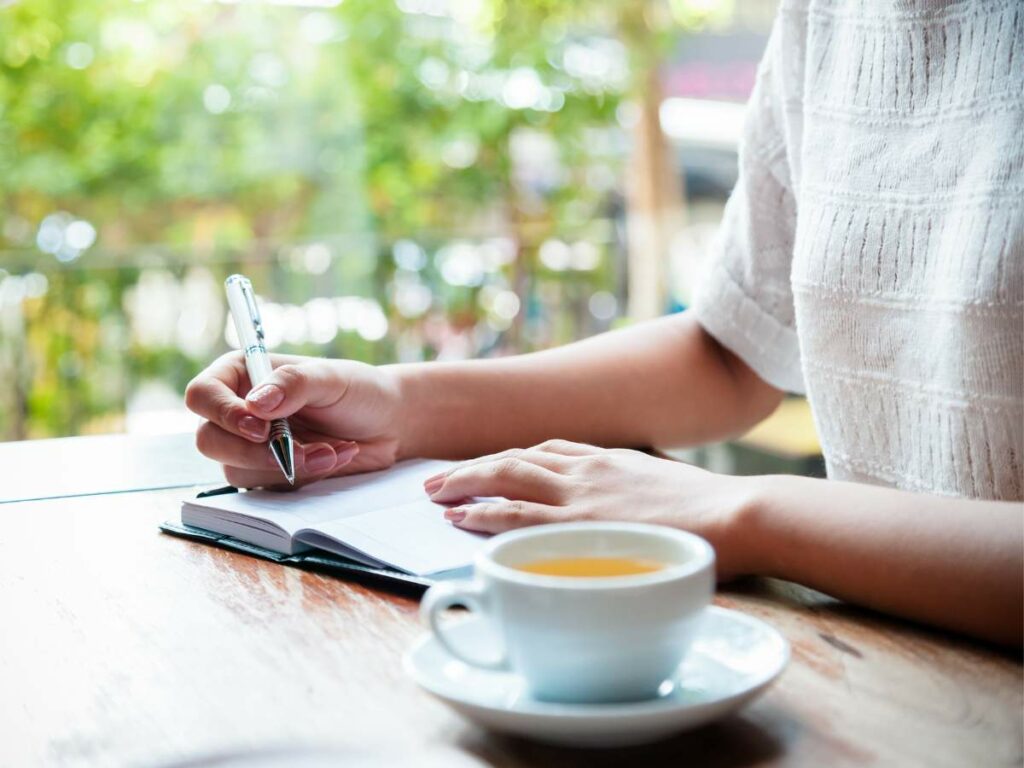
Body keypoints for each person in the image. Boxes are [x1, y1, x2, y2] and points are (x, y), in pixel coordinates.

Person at [184, 0, 1023, 647]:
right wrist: (396, 404)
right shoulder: (830, 16)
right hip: (872, 659)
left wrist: (743, 514)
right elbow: (731, 352)